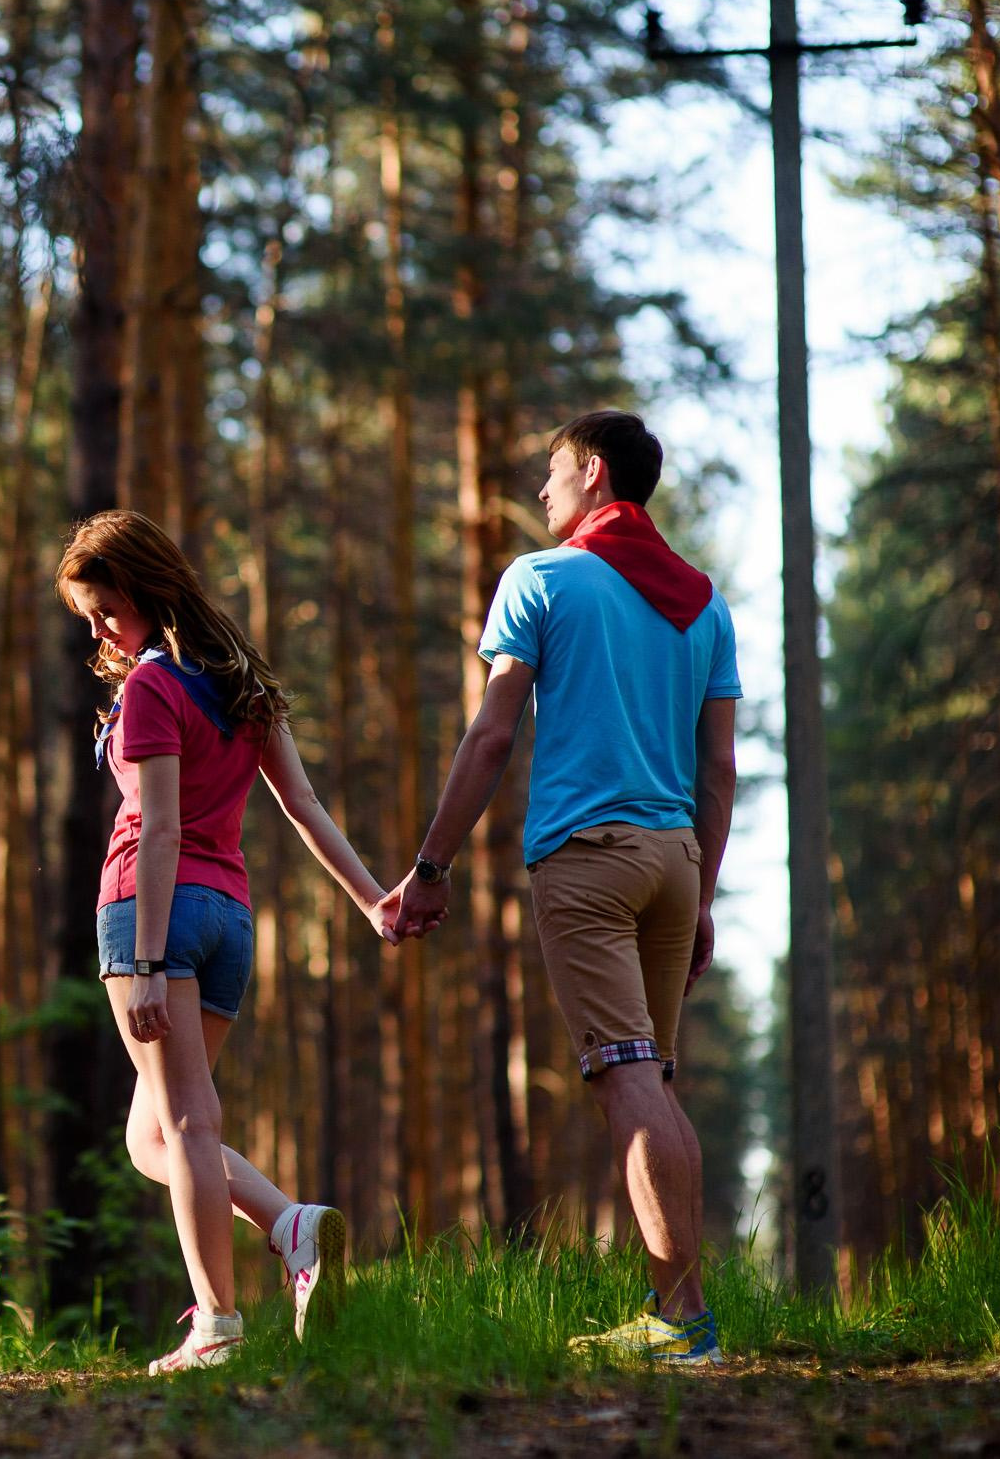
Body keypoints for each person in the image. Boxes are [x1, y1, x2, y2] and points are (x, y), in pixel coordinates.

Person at [388, 410, 738, 1366]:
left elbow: (491, 735)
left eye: (552, 472)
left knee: (629, 1081)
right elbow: (717, 770)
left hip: (588, 862)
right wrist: (704, 893)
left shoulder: (540, 578)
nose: (542, 491)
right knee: (653, 1078)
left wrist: (431, 867)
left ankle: (683, 1323)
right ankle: (682, 1313)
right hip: (675, 862)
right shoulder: (704, 603)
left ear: (593, 471)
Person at [57, 510, 402, 1374]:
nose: (98, 631)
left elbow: (161, 827)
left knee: (184, 1121)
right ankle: (289, 1224)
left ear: (143, 587)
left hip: (154, 913)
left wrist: (144, 963)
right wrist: (371, 900)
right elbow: (304, 805)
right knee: (154, 1136)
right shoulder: (241, 678)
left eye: (105, 611)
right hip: (228, 920)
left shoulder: (152, 686)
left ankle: (216, 1323)